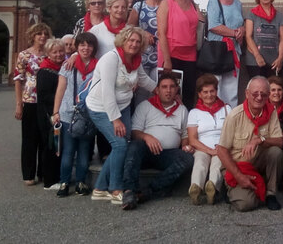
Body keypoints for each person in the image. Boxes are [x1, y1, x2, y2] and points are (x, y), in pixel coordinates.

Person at [86, 27, 157, 204]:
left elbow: (144, 80)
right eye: (130, 40)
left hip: (123, 105)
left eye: (137, 41)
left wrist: (161, 91)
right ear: (123, 41)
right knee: (119, 144)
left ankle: (100, 188)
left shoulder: (135, 59)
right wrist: (115, 119)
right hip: (101, 107)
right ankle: (115, 188)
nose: (134, 44)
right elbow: (107, 92)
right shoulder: (111, 59)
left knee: (122, 144)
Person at [121, 73, 194, 210]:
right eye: (164, 87)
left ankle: (147, 191)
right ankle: (129, 191)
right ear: (158, 90)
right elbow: (135, 132)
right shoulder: (145, 106)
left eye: (172, 87)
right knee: (135, 146)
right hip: (146, 152)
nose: (168, 90)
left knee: (188, 159)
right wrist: (147, 137)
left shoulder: (182, 110)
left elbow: (185, 134)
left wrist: (185, 146)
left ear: (177, 90)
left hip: (167, 154)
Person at [217, 77, 283, 212]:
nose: (259, 98)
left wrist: (260, 140)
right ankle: (232, 189)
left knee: (276, 152)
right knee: (246, 204)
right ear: (247, 94)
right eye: (255, 94)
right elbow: (221, 150)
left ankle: (270, 194)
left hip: (257, 162)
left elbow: (279, 141)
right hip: (237, 166)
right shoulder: (235, 116)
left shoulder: (271, 112)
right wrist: (239, 177)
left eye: (264, 94)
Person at [52, 32, 99, 198]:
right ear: (77, 47)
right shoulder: (68, 65)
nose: (86, 48)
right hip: (67, 113)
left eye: (89, 45)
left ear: (94, 48)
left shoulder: (98, 66)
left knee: (85, 150)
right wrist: (55, 111)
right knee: (68, 150)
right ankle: (64, 181)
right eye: (82, 45)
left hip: (88, 114)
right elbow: (61, 88)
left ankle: (81, 181)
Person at [13, 22, 52, 186]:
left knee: (45, 137)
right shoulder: (24, 55)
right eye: (39, 34)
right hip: (29, 99)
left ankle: (43, 172)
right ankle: (28, 174)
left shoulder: (51, 54)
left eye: (45, 33)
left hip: (46, 101)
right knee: (29, 138)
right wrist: (18, 103)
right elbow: (18, 79)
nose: (42, 36)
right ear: (33, 36)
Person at [157, 0, 200, 109]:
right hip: (172, 53)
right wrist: (167, 60)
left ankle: (186, 126)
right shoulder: (166, 3)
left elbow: (199, 25)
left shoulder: (192, 2)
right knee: (170, 93)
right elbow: (161, 33)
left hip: (190, 53)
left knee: (189, 92)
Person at [186, 74, 230, 206]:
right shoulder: (194, 112)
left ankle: (212, 188)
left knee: (218, 162)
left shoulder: (227, 109)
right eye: (205, 92)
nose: (209, 95)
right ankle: (196, 188)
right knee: (200, 161)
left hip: (221, 146)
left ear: (216, 91)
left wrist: (220, 148)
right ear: (199, 94)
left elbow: (231, 132)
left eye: (212, 91)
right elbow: (192, 140)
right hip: (202, 146)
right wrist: (210, 150)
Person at [206, 0, 245, 106]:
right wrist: (234, 33)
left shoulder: (238, 3)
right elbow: (213, 25)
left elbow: (240, 24)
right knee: (216, 85)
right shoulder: (214, 0)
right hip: (218, 50)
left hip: (234, 50)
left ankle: (230, 119)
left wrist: (242, 30)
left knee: (232, 89)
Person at [35, 38, 66, 190]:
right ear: (48, 54)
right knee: (51, 145)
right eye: (54, 52)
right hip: (49, 113)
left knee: (58, 145)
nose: (59, 54)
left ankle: (56, 175)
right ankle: (49, 180)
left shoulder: (62, 67)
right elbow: (45, 95)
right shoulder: (45, 71)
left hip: (57, 111)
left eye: (61, 51)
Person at [244, 0, 283, 78]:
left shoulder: (280, 15)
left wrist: (280, 58)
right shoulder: (251, 14)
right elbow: (248, 36)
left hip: (274, 61)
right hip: (255, 61)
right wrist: (257, 56)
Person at [128, 0, 162, 83]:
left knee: (157, 87)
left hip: (160, 54)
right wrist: (143, 33)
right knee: (142, 89)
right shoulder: (139, 6)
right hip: (143, 53)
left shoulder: (167, 6)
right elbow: (129, 27)